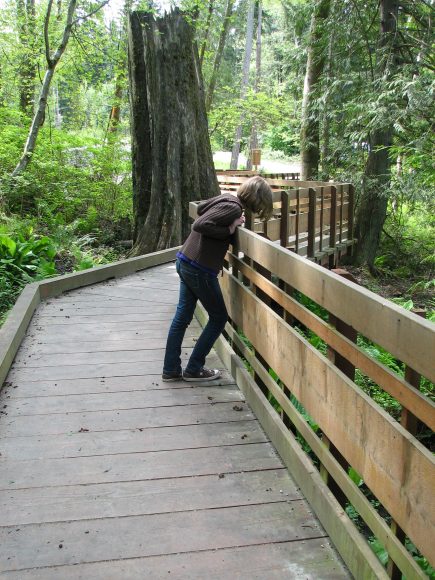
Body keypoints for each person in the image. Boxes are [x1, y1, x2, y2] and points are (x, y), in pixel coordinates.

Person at [162, 176, 273, 382]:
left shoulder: (227, 199)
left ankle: (171, 369)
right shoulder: (234, 208)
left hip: (185, 261)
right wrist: (230, 229)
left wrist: (229, 225)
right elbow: (200, 224)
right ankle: (194, 368)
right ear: (258, 199)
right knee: (218, 318)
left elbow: (202, 208)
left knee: (182, 317)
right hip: (199, 268)